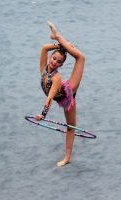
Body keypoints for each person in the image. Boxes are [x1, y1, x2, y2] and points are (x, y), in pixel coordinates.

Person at [35, 21, 85, 167]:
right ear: (51, 57)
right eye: (54, 58)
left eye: (59, 62)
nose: (54, 62)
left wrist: (43, 115)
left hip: (68, 95)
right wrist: (61, 46)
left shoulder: (57, 78)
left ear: (62, 65)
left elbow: (50, 98)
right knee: (80, 57)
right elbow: (44, 48)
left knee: (71, 127)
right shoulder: (44, 68)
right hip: (60, 91)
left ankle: (67, 157)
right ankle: (58, 37)